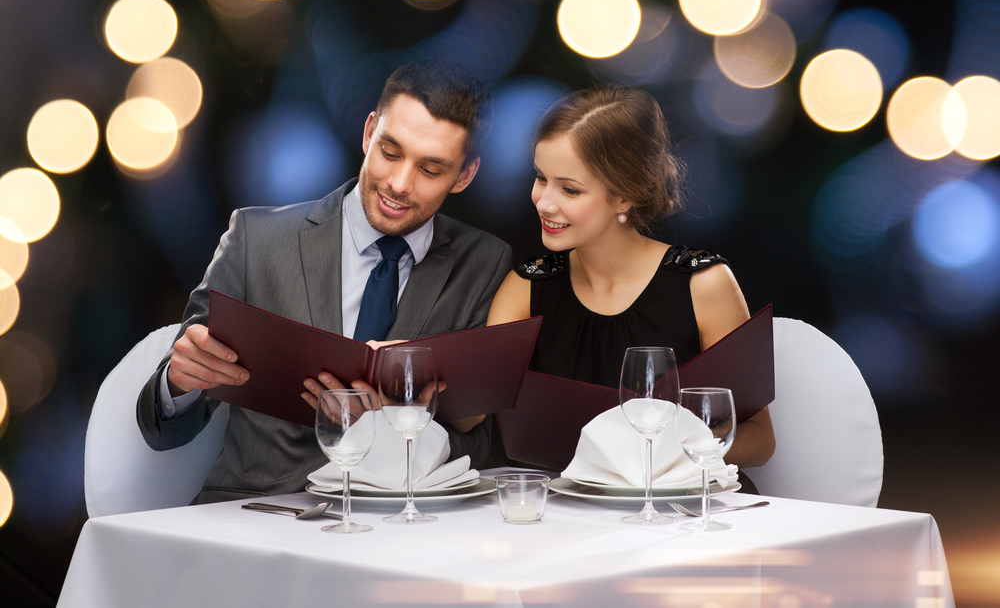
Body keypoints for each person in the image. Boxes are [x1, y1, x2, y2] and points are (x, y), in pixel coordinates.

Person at [137, 60, 512, 504]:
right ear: (369, 131)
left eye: (430, 170)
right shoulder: (256, 240)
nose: (399, 183)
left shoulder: (485, 262)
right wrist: (177, 384)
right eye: (390, 152)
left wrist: (396, 429)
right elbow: (161, 427)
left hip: (398, 527)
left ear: (465, 175)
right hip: (256, 516)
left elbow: (480, 443)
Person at [485, 84, 775, 474]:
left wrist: (667, 446)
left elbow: (759, 440)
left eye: (570, 189)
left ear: (624, 196)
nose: (544, 201)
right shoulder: (526, 287)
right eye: (541, 178)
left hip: (679, 513)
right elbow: (479, 412)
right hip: (567, 516)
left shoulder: (704, 284)